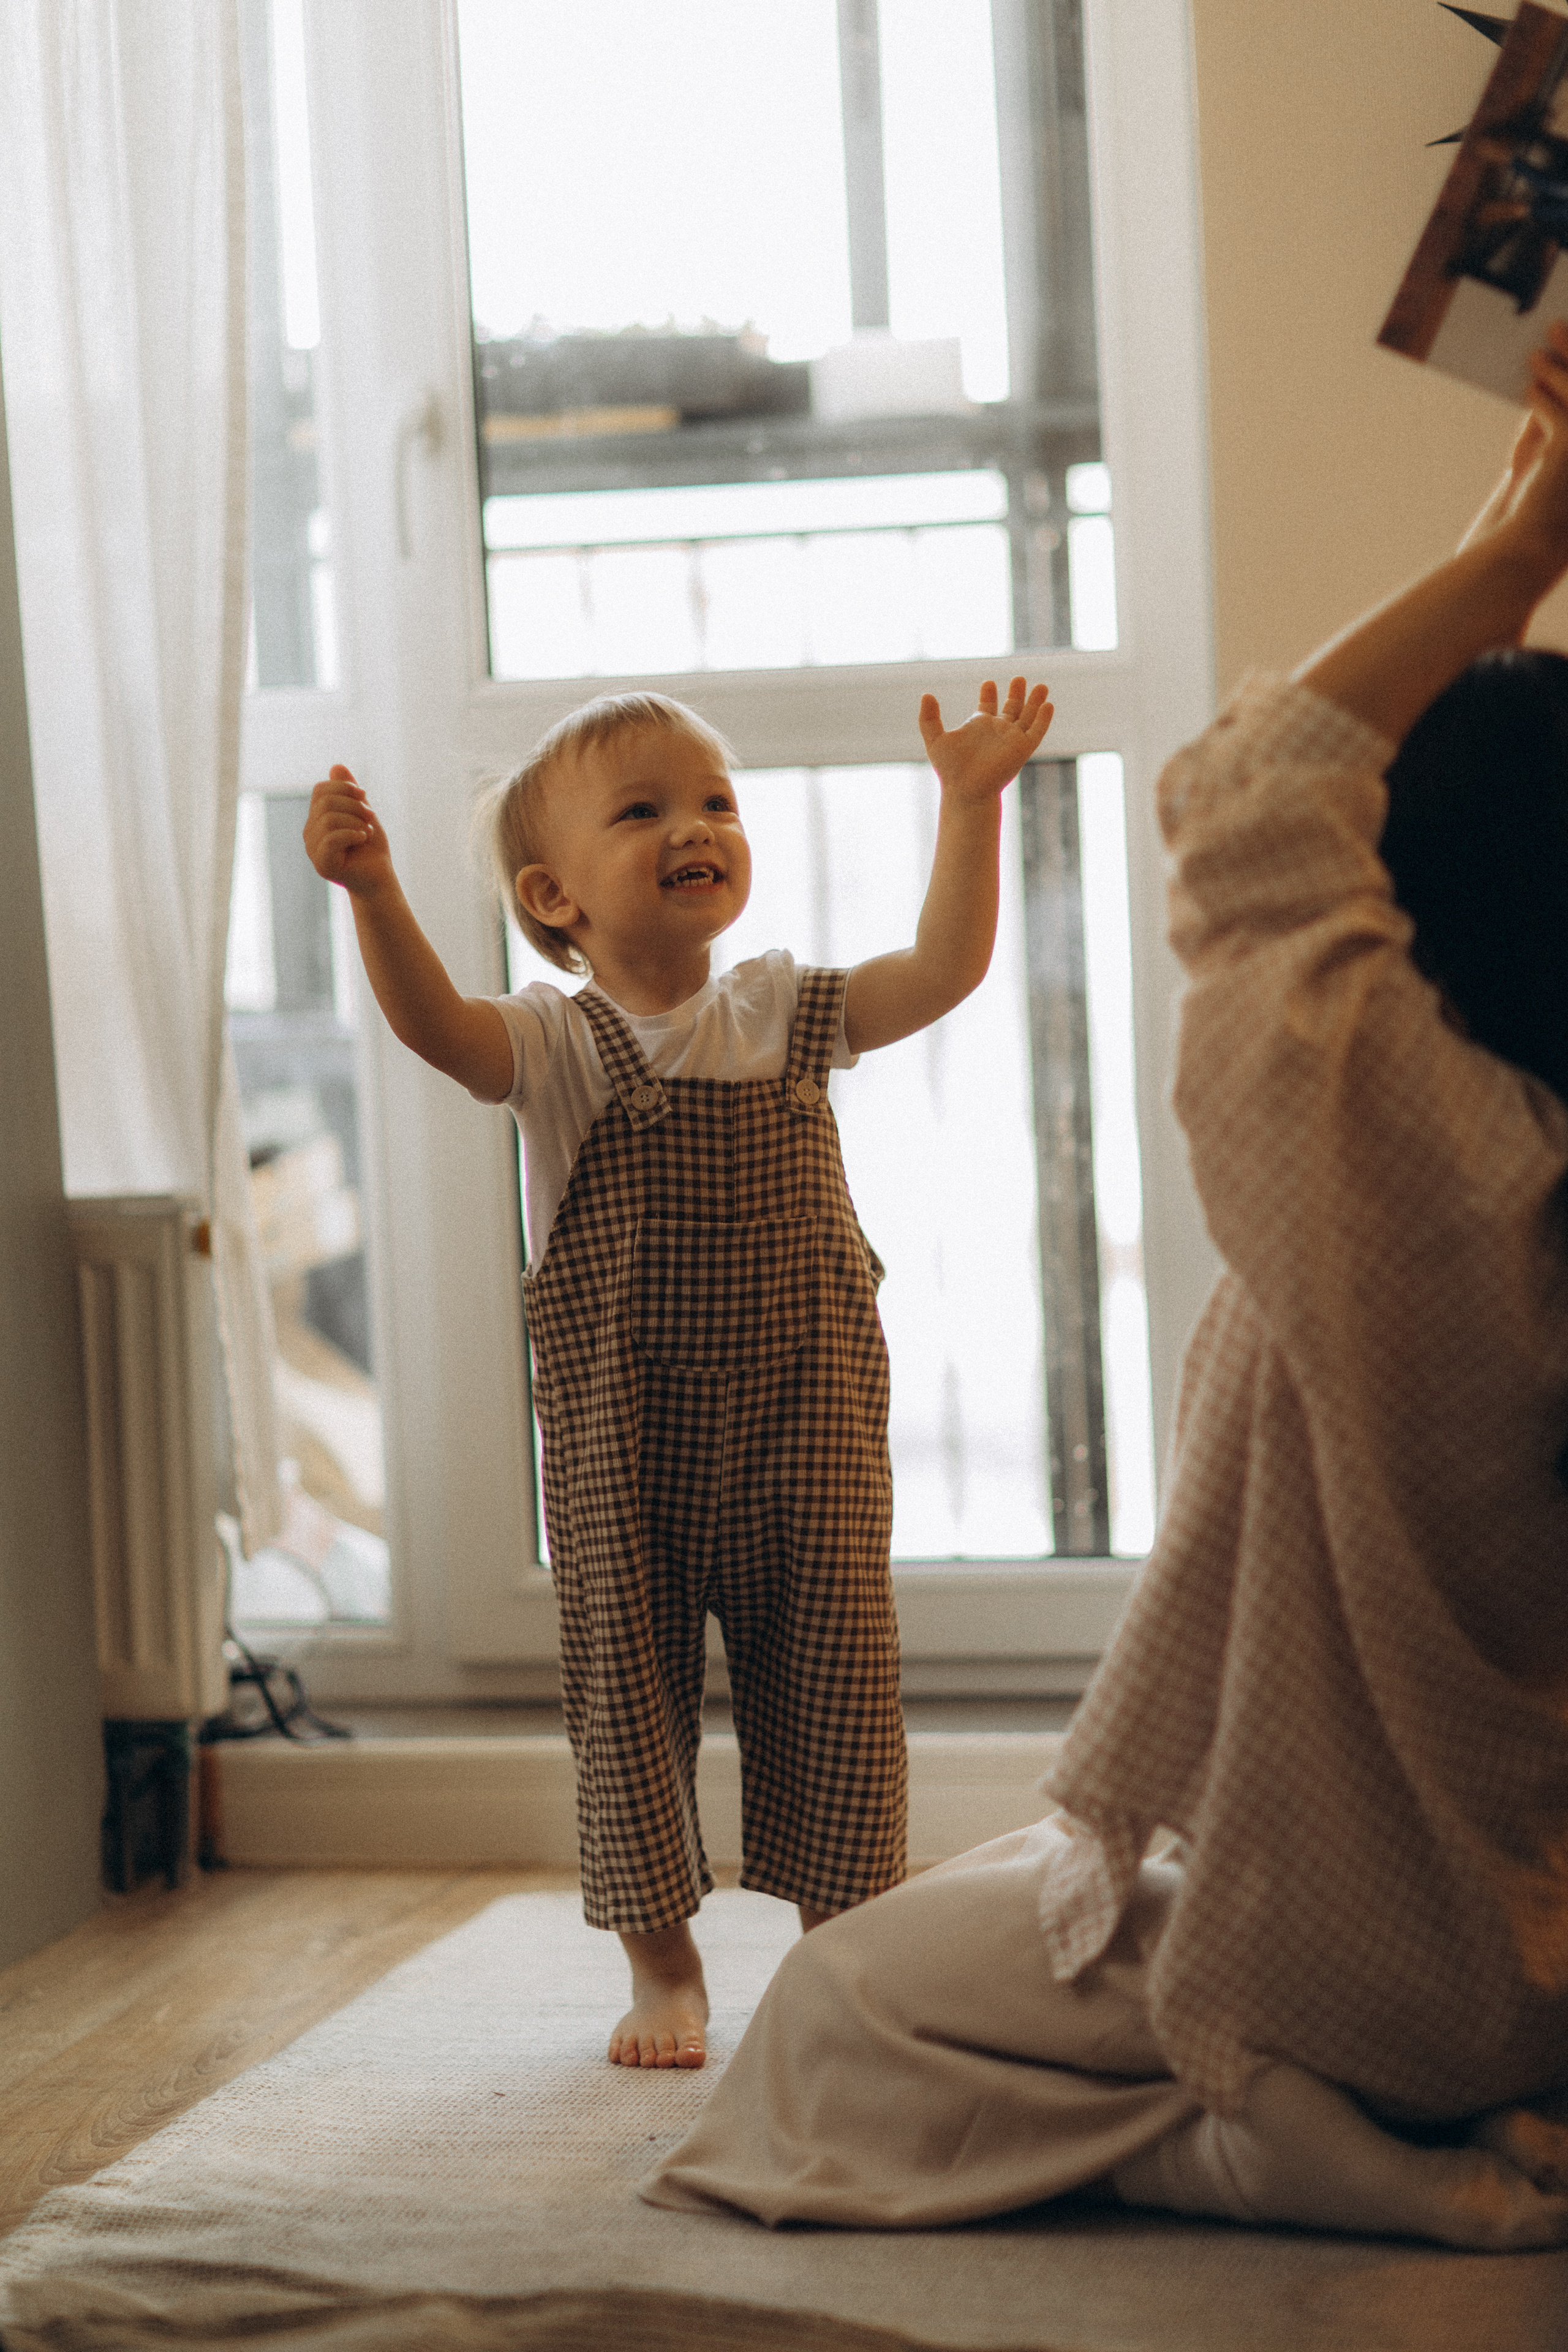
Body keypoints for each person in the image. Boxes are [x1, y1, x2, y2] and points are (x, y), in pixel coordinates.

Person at [640, 330, 1568, 2248]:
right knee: (1024, 1894)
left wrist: (1520, 548)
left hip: (1395, 1969)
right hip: (1544, 1940)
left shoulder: (1415, 1165)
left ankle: (1248, 2138)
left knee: (841, 2006)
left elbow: (1243, 803)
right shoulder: (1521, 1176)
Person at [303, 673, 1054, 2073]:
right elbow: (434, 1028)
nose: (692, 825)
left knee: (832, 1678)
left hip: (804, 1432)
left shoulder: (784, 1012)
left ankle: (843, 1953)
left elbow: (941, 971)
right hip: (621, 1446)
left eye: (714, 801)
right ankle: (665, 1968)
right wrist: (373, 897)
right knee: (624, 1699)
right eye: (640, 810)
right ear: (554, 895)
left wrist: (969, 808)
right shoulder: (550, 1045)